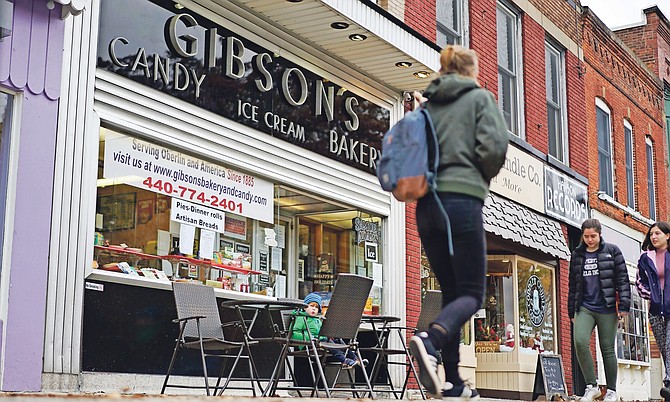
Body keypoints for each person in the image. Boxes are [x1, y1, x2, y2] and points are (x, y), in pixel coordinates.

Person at [408, 44, 509, 399]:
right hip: (461, 203)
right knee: (472, 293)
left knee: (452, 293)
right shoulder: (480, 99)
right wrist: (477, 176)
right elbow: (495, 148)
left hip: (426, 207)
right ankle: (429, 339)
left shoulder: (428, 104)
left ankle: (453, 382)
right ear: (471, 71)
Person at [568, 218, 630, 402]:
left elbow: (623, 280)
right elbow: (572, 284)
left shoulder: (612, 251)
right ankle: (591, 386)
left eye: (593, 236)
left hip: (607, 307)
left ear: (599, 234)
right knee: (579, 341)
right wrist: (572, 311)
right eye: (586, 236)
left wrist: (624, 306)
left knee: (607, 348)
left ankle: (611, 390)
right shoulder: (577, 255)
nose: (589, 240)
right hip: (584, 307)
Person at [635, 221, 670, 399]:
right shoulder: (645, 258)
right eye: (651, 234)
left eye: (657, 233)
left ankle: (669, 383)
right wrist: (651, 295)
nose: (654, 237)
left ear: (667, 235)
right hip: (655, 309)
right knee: (664, 348)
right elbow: (639, 282)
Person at [291, 292, 361, 368]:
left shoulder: (317, 320)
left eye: (316, 307)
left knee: (339, 341)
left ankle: (355, 359)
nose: (314, 308)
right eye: (311, 306)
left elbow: (322, 332)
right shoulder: (300, 317)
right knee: (328, 342)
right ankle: (344, 360)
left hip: (320, 342)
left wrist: (328, 335)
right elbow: (293, 334)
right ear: (305, 307)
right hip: (309, 344)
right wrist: (311, 338)